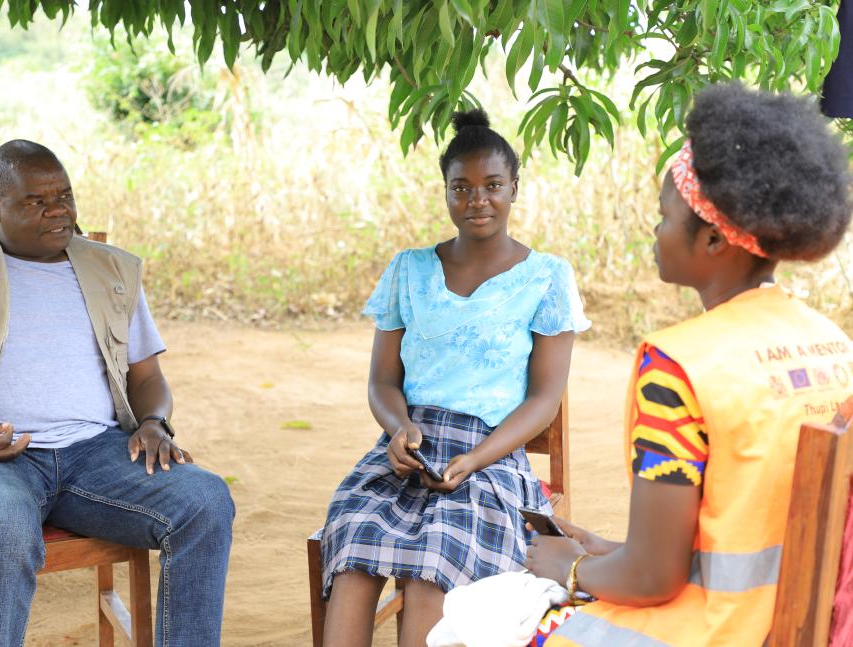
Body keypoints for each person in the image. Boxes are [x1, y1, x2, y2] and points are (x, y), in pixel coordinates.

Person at [523, 83, 853, 646]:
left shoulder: (677, 367)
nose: (654, 232)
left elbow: (652, 579)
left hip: (714, 630)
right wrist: (609, 550)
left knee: (491, 622)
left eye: (664, 216)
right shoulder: (833, 344)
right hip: (798, 621)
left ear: (714, 241)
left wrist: (568, 567)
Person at [0, 140, 235, 647]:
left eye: (65, 196)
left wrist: (155, 421)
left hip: (95, 454)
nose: (59, 211)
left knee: (205, 500)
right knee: (3, 526)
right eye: (37, 201)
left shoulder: (112, 270)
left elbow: (147, 377)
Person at [319, 109, 591, 646]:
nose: (477, 200)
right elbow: (381, 381)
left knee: (435, 564)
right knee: (352, 541)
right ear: (444, 193)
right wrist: (398, 430)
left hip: (490, 458)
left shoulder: (547, 278)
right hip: (405, 449)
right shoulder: (409, 269)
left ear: (515, 188)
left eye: (492, 186)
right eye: (460, 187)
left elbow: (543, 399)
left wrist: (474, 458)